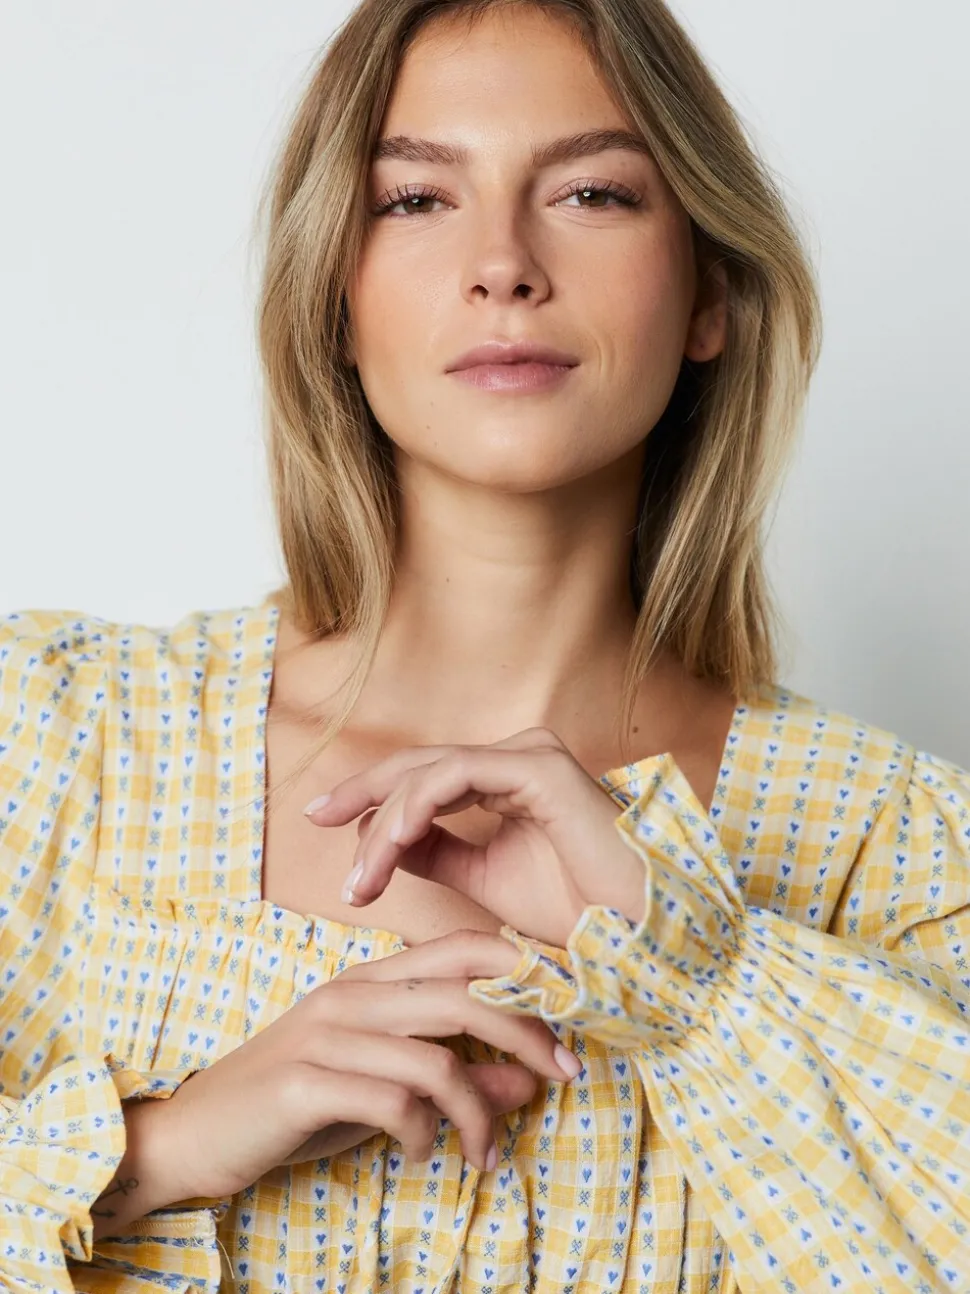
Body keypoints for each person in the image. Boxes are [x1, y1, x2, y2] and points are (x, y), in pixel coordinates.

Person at [1, 0, 968, 1289]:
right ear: (332, 295)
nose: (503, 262)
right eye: (416, 200)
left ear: (710, 294)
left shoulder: (891, 852)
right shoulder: (56, 739)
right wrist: (155, 1153)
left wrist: (704, 980)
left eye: (593, 193)